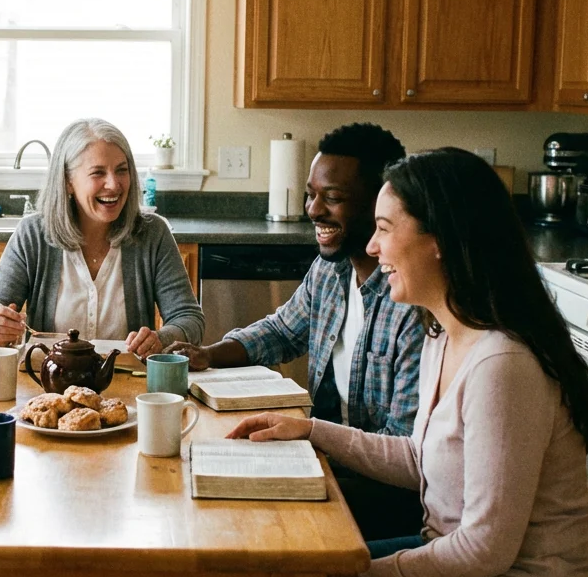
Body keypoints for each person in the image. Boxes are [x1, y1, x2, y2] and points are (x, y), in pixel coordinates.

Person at [218, 148, 588, 577]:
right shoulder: (445, 334)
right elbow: (417, 459)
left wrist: (366, 573)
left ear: (440, 242)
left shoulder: (501, 364)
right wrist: (311, 430)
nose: (372, 249)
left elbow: (486, 548)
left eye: (383, 229)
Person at [165, 123, 423, 541]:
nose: (313, 210)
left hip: (385, 490)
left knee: (242, 518)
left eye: (333, 198)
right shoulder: (330, 270)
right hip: (326, 456)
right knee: (204, 479)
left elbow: (406, 454)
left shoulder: (412, 304)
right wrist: (208, 354)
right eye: (312, 194)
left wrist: (307, 443)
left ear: (383, 205)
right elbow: (282, 331)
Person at [0, 118, 203, 357]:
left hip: (129, 385)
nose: (113, 184)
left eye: (121, 170)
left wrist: (161, 339)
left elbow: (190, 319)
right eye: (98, 173)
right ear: (68, 182)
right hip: (48, 387)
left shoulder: (153, 233)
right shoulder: (32, 235)